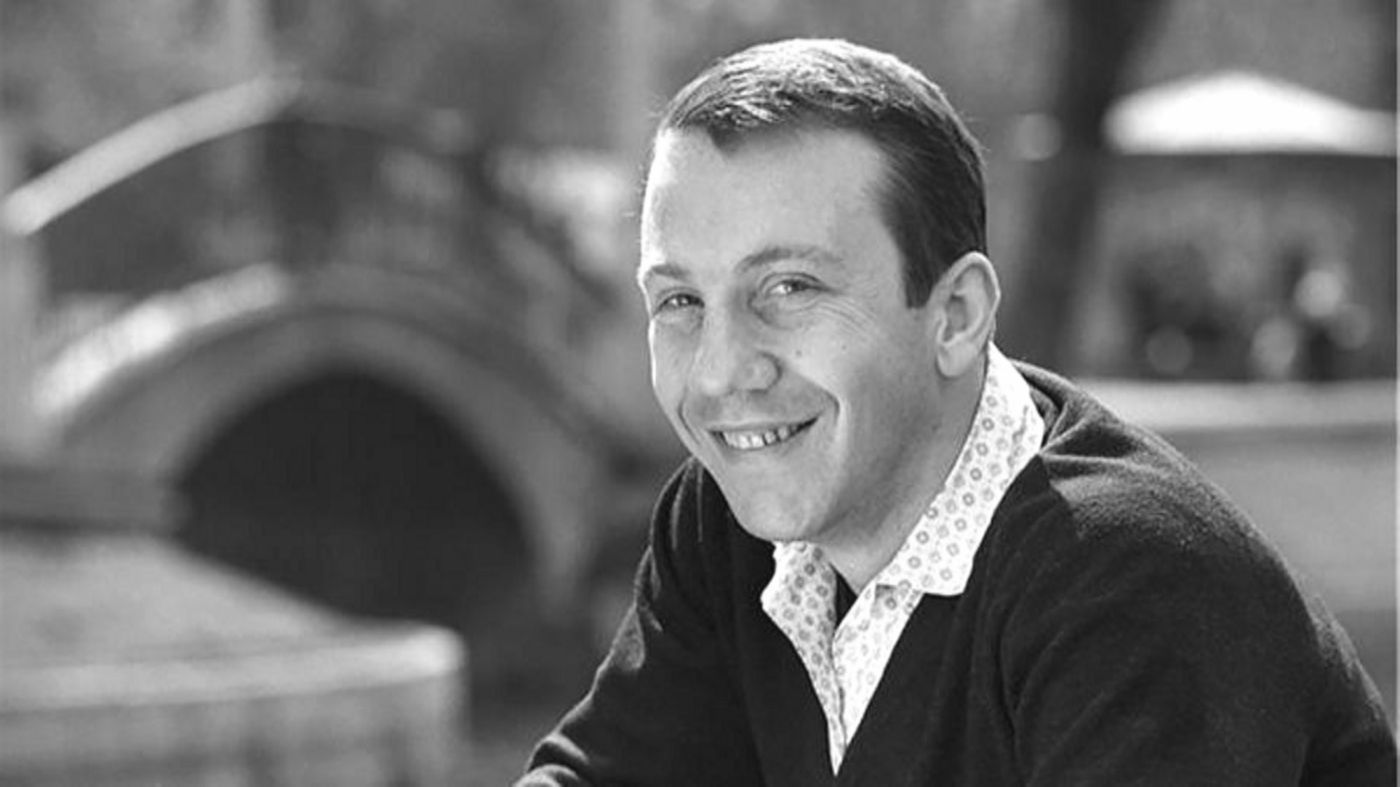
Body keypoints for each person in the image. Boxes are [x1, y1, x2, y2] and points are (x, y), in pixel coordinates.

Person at [518, 39, 1396, 786]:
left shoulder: (1133, 583)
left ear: (957, 316)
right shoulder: (727, 525)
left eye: (790, 288)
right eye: (679, 301)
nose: (719, 372)